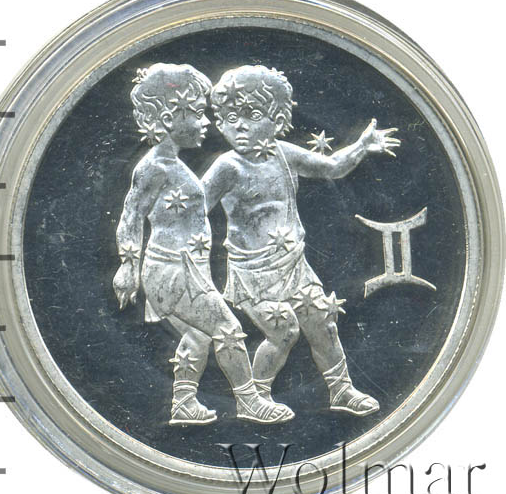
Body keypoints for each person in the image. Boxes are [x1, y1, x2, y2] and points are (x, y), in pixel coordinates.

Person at [203, 65, 401, 417]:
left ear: (278, 120)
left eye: (252, 115)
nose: (240, 126)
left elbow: (331, 167)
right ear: (220, 123)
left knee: (323, 322)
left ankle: (341, 389)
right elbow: (193, 210)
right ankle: (254, 398)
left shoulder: (284, 153)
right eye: (231, 117)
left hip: (293, 263)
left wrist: (362, 146)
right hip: (253, 273)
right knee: (283, 330)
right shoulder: (227, 167)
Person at [113, 63, 293, 426]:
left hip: (184, 268)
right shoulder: (155, 167)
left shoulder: (171, 164)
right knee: (227, 329)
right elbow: (131, 214)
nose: (206, 122)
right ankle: (249, 402)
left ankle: (182, 403)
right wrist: (127, 266)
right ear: (168, 118)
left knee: (197, 336)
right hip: (174, 270)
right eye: (197, 113)